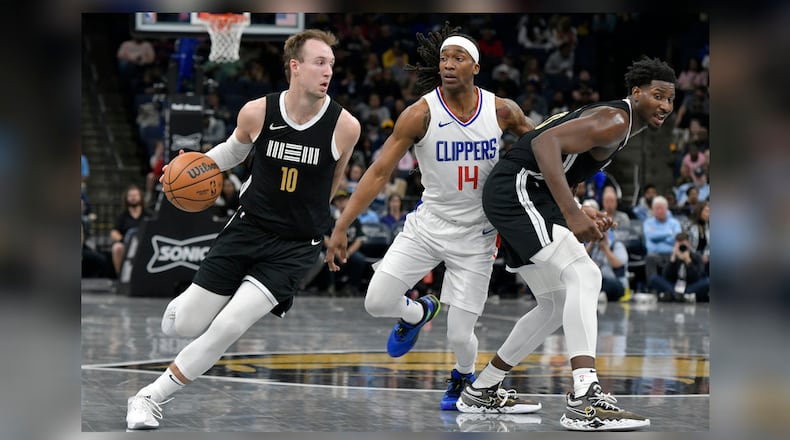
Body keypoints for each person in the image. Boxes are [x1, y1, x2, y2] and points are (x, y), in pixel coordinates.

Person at [125, 29, 361, 430]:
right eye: (320, 62)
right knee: (186, 325)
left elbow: (333, 184)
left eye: (332, 64)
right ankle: (187, 302)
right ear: (295, 66)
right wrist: (190, 167)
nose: (328, 71)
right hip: (247, 228)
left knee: (228, 327)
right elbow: (232, 152)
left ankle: (148, 396)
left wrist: (326, 227)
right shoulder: (257, 111)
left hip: (294, 246)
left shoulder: (345, 126)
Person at [456, 56, 677, 431]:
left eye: (671, 100)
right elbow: (545, 144)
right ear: (636, 93)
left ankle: (482, 390)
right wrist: (572, 213)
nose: (665, 107)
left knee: (556, 304)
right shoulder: (617, 119)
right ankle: (584, 399)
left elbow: (565, 161)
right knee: (586, 276)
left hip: (527, 193)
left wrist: (582, 210)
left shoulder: (618, 124)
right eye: (658, 96)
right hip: (519, 188)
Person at [324, 23, 536, 412]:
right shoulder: (419, 114)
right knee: (376, 301)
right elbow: (377, 173)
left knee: (460, 334)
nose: (448, 64)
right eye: (443, 58)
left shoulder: (502, 110)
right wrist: (341, 224)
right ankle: (418, 311)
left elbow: (542, 146)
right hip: (429, 225)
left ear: (476, 66)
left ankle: (463, 376)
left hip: (478, 234)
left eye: (458, 58)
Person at [647, 232, 709, 302]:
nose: (681, 247)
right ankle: (682, 296)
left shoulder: (696, 257)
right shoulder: (672, 256)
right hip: (674, 285)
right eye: (679, 244)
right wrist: (672, 259)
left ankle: (676, 295)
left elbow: (698, 277)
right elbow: (665, 276)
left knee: (707, 282)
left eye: (683, 244)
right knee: (654, 278)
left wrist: (688, 261)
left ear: (688, 244)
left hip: (690, 285)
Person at [110, 184, 151, 277]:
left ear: (140, 197)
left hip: (144, 244)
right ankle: (120, 276)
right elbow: (114, 232)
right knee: (117, 247)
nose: (133, 198)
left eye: (135, 195)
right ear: (126, 198)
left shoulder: (149, 215)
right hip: (127, 245)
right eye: (130, 196)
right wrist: (122, 239)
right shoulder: (122, 215)